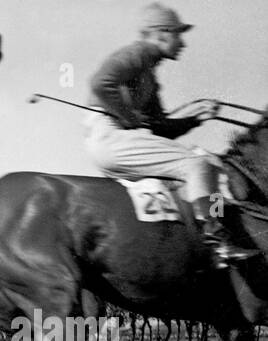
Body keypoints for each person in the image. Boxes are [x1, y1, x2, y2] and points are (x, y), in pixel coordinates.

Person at [84, 4, 256, 268]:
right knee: (198, 164)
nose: (182, 44)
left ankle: (207, 236)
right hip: (110, 137)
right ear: (162, 34)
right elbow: (100, 83)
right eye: (179, 35)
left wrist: (197, 118)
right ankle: (218, 241)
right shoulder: (138, 53)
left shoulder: (150, 79)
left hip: (118, 140)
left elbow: (161, 129)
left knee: (202, 168)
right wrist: (129, 117)